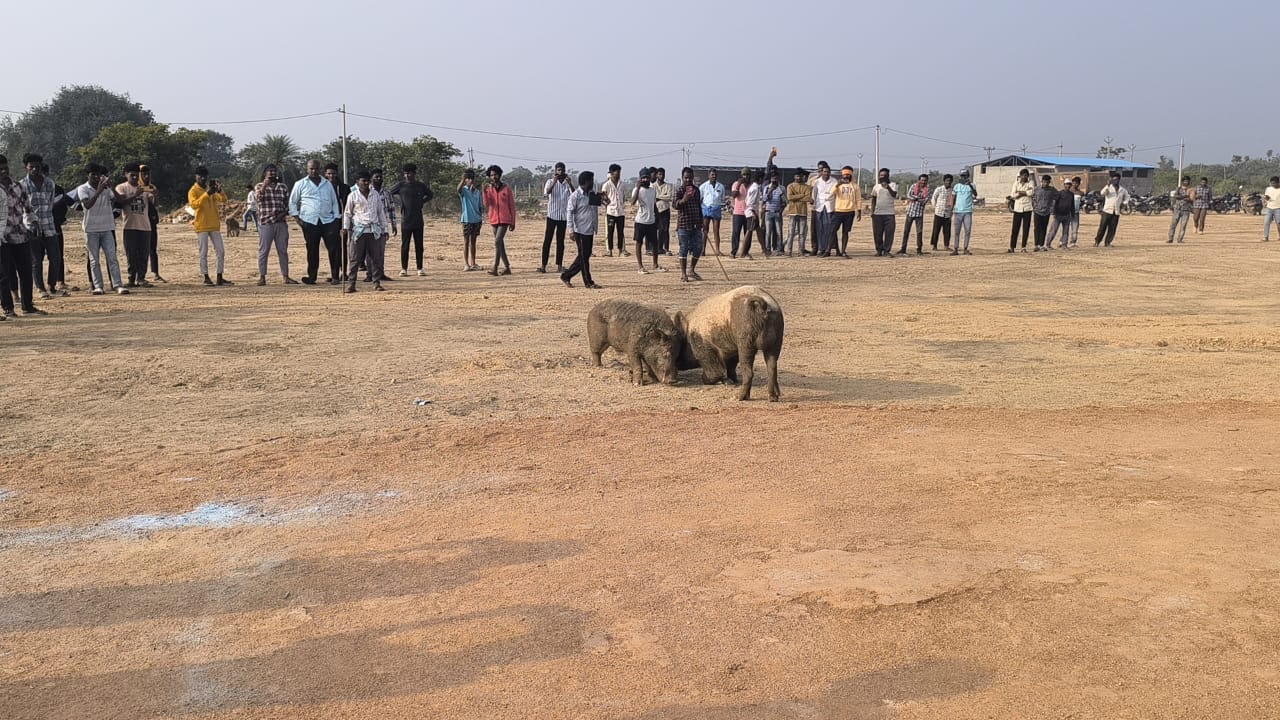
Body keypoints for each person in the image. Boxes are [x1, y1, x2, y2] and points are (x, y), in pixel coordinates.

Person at [66, 164, 127, 296]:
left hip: (107, 227)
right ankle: (98, 286)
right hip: (91, 228)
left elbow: (120, 199)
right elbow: (87, 205)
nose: (95, 177)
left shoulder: (106, 188)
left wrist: (111, 187)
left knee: (112, 257)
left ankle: (118, 285)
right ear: (87, 175)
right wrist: (99, 190)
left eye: (98, 174)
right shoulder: (83, 188)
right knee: (94, 260)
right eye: (92, 174)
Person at [0, 154, 41, 318]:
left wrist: (33, 223)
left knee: (25, 271)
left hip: (20, 234)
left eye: (5, 167)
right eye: (0, 169)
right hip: (2, 238)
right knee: (4, 275)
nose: (3, 171)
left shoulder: (18, 186)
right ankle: (8, 308)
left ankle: (28, 306)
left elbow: (28, 208)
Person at [289, 159, 343, 284]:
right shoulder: (300, 184)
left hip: (328, 221)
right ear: (307, 169)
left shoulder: (327, 184)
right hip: (309, 222)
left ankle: (335, 276)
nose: (314, 171)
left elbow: (334, 201)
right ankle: (312, 277)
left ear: (320, 169)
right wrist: (297, 218)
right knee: (312, 250)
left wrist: (336, 219)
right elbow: (292, 202)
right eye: (311, 169)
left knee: (334, 250)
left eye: (316, 168)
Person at [21, 154, 63, 299]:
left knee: (56, 257)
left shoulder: (49, 183)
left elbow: (50, 203)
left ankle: (52, 285)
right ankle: (40, 288)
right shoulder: (22, 186)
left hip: (49, 225)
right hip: (31, 228)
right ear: (26, 167)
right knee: (36, 260)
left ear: (41, 166)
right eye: (31, 166)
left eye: (37, 166)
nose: (34, 169)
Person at [341, 170, 389, 293]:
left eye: (367, 181)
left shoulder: (375, 195)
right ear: (358, 182)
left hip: (374, 230)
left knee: (376, 258)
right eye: (363, 181)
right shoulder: (353, 195)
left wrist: (385, 229)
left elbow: (380, 213)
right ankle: (351, 284)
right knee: (355, 259)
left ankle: (376, 282)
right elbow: (347, 213)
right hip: (359, 230)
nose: (366, 183)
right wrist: (346, 228)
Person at [254, 164, 297, 285]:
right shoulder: (259, 186)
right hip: (266, 223)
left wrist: (283, 214)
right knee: (264, 251)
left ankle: (286, 276)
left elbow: (288, 204)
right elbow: (258, 200)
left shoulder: (282, 187)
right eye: (270, 171)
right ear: (265, 173)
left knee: (283, 250)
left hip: (280, 222)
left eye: (274, 171)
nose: (272, 173)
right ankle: (262, 277)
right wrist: (264, 186)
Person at [387, 163, 433, 276]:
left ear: (414, 173)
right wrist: (399, 203)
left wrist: (422, 201)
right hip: (405, 220)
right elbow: (388, 193)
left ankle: (420, 268)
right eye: (406, 173)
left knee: (419, 245)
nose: (407, 175)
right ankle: (404, 268)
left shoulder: (420, 186)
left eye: (410, 173)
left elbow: (430, 195)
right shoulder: (401, 185)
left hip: (418, 220)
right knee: (405, 245)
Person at [188, 166, 232, 286]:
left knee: (221, 251)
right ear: (196, 176)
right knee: (203, 252)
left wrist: (219, 190)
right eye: (200, 176)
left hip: (214, 225)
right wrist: (206, 194)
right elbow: (194, 205)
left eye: (204, 176)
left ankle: (219, 276)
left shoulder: (210, 189)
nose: (202, 178)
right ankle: (206, 276)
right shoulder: (193, 190)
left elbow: (223, 200)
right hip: (201, 225)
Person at [115, 163, 155, 286]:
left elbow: (154, 203)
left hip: (145, 226)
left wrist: (156, 194)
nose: (135, 178)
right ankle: (131, 278)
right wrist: (135, 195)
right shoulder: (121, 188)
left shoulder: (144, 188)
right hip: (130, 226)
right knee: (131, 254)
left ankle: (141, 278)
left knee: (144, 253)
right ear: (125, 175)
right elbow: (121, 201)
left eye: (137, 175)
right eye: (132, 175)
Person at [562, 170, 602, 289]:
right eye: (591, 180)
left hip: (590, 229)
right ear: (585, 182)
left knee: (584, 256)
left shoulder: (592, 194)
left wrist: (603, 198)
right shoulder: (575, 196)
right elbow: (569, 213)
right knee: (584, 258)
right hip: (580, 230)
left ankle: (566, 276)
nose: (592, 182)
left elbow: (601, 204)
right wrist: (571, 230)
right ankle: (588, 282)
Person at [483, 165, 516, 276]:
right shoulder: (489, 189)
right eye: (491, 175)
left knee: (497, 241)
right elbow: (487, 204)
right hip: (493, 219)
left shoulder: (506, 188)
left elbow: (512, 205)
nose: (493, 177)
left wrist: (513, 221)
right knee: (500, 244)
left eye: (495, 174)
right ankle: (507, 267)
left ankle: (495, 267)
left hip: (505, 219)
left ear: (499, 175)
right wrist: (484, 192)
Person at [674, 166, 704, 282]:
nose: (688, 180)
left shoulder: (696, 190)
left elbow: (698, 206)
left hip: (696, 224)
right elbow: (675, 205)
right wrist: (684, 199)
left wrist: (702, 222)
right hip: (684, 225)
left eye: (690, 178)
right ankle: (683, 274)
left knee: (698, 248)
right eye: (686, 178)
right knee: (683, 249)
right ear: (682, 178)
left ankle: (691, 269)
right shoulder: (680, 191)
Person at [541, 162, 571, 273]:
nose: (561, 172)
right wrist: (554, 182)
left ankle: (559, 265)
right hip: (552, 215)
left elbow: (574, 195)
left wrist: (570, 183)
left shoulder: (567, 184)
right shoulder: (550, 181)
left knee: (560, 242)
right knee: (547, 241)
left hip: (563, 217)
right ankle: (543, 265)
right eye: (559, 170)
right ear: (555, 171)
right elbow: (546, 193)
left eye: (562, 170)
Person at [367, 169, 397, 283]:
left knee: (381, 251)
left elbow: (392, 209)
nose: (379, 179)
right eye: (376, 177)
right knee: (369, 252)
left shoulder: (387, 193)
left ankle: (380, 273)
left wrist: (394, 225)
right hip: (369, 225)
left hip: (382, 226)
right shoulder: (367, 191)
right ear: (371, 178)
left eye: (380, 177)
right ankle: (370, 274)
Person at [631, 168, 663, 273]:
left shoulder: (653, 191)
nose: (645, 179)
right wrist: (638, 188)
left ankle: (655, 265)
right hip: (640, 221)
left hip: (651, 221)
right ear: (640, 179)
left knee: (654, 243)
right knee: (639, 243)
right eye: (643, 178)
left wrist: (658, 220)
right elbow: (632, 202)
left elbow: (654, 206)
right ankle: (640, 266)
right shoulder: (637, 190)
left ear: (650, 178)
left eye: (647, 177)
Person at [139, 164, 163, 283]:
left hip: (151, 219)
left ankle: (155, 273)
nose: (146, 176)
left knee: (152, 248)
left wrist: (155, 194)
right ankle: (139, 274)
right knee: (140, 249)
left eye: (148, 174)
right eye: (143, 174)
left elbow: (156, 204)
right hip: (138, 221)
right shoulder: (136, 187)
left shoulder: (152, 187)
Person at [832, 167, 862, 257]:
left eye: (848, 174)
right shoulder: (838, 184)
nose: (846, 176)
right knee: (833, 231)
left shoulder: (855, 186)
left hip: (850, 211)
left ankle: (843, 251)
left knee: (846, 232)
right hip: (838, 211)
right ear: (842, 175)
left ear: (851, 175)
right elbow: (832, 193)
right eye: (845, 174)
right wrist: (837, 184)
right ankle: (830, 250)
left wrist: (859, 211)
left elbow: (858, 199)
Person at [1094, 172, 1129, 247]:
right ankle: (1097, 241)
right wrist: (1108, 185)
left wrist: (1125, 203)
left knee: (1112, 228)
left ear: (1119, 180)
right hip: (1107, 211)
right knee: (1102, 227)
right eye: (1113, 180)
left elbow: (1127, 197)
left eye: (1116, 180)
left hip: (1116, 212)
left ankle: (1108, 242)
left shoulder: (1123, 190)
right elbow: (1102, 193)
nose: (1115, 181)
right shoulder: (1108, 188)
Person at [458, 169, 483, 271]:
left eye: (471, 178)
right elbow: (458, 189)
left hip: (476, 220)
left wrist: (479, 217)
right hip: (466, 219)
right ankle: (466, 264)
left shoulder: (477, 192)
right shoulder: (464, 190)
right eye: (468, 179)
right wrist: (463, 179)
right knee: (466, 242)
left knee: (473, 242)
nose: (470, 181)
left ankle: (473, 263)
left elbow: (480, 207)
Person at [811, 162, 838, 256]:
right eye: (824, 171)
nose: (826, 173)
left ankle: (828, 249)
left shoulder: (834, 181)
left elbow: (837, 194)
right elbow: (814, 194)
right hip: (819, 207)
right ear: (821, 172)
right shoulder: (817, 182)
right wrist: (813, 203)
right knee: (820, 229)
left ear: (830, 172)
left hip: (830, 206)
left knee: (828, 229)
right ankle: (820, 248)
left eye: (828, 172)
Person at [869, 168, 897, 258]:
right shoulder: (876, 187)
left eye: (884, 175)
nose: (882, 177)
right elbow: (873, 199)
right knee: (877, 233)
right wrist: (872, 211)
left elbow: (894, 195)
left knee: (889, 233)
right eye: (881, 175)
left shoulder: (893, 185)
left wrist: (887, 187)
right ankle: (879, 250)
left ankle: (887, 251)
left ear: (888, 176)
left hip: (889, 213)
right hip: (877, 214)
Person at [900, 173, 930, 255]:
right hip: (910, 212)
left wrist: (915, 198)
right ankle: (903, 249)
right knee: (906, 231)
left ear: (927, 181)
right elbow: (909, 195)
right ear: (919, 180)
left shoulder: (927, 189)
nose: (923, 182)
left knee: (919, 232)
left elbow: (925, 200)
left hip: (919, 213)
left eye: (925, 180)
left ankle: (919, 250)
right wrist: (918, 199)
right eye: (922, 180)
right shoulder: (913, 186)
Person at [602, 163, 628, 256]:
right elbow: (603, 197)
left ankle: (621, 250)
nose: (618, 175)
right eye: (616, 173)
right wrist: (607, 204)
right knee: (610, 232)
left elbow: (623, 197)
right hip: (611, 212)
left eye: (619, 173)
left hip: (620, 212)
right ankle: (610, 250)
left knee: (620, 232)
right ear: (611, 173)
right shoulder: (606, 185)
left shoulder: (622, 184)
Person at [950, 169, 977, 255]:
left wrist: (970, 186)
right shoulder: (957, 186)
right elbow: (953, 198)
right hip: (958, 211)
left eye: (965, 176)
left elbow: (975, 194)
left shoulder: (972, 185)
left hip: (968, 211)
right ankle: (956, 248)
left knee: (968, 230)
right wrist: (951, 209)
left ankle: (965, 248)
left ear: (968, 176)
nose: (963, 177)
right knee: (957, 231)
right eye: (962, 176)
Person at [699, 169, 725, 256]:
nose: (714, 176)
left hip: (716, 209)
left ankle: (717, 250)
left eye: (715, 175)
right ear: (709, 175)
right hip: (706, 209)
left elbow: (722, 199)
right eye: (712, 174)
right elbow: (700, 199)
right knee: (705, 230)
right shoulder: (703, 186)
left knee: (716, 230)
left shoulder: (720, 186)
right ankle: (702, 250)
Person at [785, 168, 810, 257]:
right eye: (797, 176)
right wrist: (802, 195)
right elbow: (789, 197)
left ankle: (801, 251)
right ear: (794, 176)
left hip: (803, 212)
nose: (798, 178)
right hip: (792, 212)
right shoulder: (790, 186)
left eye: (800, 176)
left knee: (802, 233)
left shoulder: (806, 187)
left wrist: (796, 197)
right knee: (791, 233)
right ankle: (789, 251)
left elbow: (808, 198)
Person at [729, 167, 753, 259]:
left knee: (747, 233)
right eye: (744, 175)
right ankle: (734, 252)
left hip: (749, 212)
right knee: (736, 233)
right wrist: (739, 183)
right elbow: (734, 195)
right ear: (741, 175)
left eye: (747, 175)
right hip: (738, 212)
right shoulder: (736, 184)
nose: (745, 177)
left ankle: (746, 252)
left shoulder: (752, 186)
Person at [1046, 177, 1075, 249]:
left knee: (1066, 231)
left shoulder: (1071, 194)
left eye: (1069, 184)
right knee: (1053, 230)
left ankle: (1064, 245)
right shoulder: (1059, 193)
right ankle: (1048, 244)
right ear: (1064, 184)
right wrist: (1054, 212)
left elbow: (1072, 205)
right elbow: (1055, 203)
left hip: (1067, 215)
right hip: (1058, 215)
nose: (1068, 186)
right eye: (1067, 184)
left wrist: (1073, 214)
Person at [1009, 168, 1033, 252]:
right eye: (1023, 176)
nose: (1024, 177)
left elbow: (1031, 193)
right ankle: (1012, 247)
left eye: (1025, 176)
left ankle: (1023, 247)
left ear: (1027, 176)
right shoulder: (1016, 183)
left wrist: (1020, 193)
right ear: (1020, 176)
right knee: (1015, 228)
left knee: (1026, 229)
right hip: (1018, 208)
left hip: (1027, 208)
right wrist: (1024, 193)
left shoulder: (1031, 183)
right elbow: (1012, 194)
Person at [762, 170, 786, 255]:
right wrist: (770, 190)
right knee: (768, 232)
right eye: (772, 178)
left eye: (775, 178)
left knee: (779, 232)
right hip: (768, 212)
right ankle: (767, 249)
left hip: (777, 212)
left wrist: (781, 210)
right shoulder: (767, 188)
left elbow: (785, 201)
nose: (774, 180)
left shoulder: (782, 188)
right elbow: (764, 199)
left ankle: (779, 249)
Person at [1031, 174, 1055, 252]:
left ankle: (1041, 245)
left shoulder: (1052, 190)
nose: (1046, 184)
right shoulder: (1036, 189)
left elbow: (1057, 196)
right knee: (1037, 228)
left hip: (1046, 212)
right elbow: (1032, 198)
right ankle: (1036, 245)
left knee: (1043, 228)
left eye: (1048, 182)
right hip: (1037, 211)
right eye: (1045, 182)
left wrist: (1051, 207)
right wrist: (1034, 207)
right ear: (1042, 181)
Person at [930, 174, 954, 251]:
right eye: (947, 181)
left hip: (948, 213)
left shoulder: (952, 191)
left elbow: (953, 201)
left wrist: (952, 210)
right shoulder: (939, 189)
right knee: (936, 230)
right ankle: (934, 245)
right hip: (939, 212)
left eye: (950, 181)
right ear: (944, 181)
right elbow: (933, 198)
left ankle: (946, 246)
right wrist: (935, 207)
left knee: (947, 231)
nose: (948, 182)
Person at [653, 167, 673, 255]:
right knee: (656, 230)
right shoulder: (652, 186)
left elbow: (669, 197)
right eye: (660, 174)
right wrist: (662, 197)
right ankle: (658, 248)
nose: (662, 176)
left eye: (663, 174)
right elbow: (652, 197)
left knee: (665, 230)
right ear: (657, 175)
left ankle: (666, 248)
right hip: (655, 210)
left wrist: (659, 197)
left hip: (665, 210)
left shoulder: (669, 186)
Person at [1168, 175, 1193, 244]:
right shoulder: (1178, 189)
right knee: (1173, 224)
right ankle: (1170, 238)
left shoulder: (1191, 190)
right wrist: (1172, 205)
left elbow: (1192, 199)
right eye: (1185, 181)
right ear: (1182, 182)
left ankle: (1180, 239)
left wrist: (1183, 198)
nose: (1186, 182)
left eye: (1187, 181)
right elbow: (1175, 196)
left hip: (1186, 210)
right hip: (1177, 208)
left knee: (1183, 225)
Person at [1068, 177, 1084, 247]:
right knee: (1065, 228)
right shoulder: (1068, 191)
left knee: (1075, 228)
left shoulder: (1080, 193)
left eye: (1076, 183)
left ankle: (1073, 242)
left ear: (1079, 184)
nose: (1075, 184)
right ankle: (1062, 241)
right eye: (1074, 183)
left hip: (1076, 212)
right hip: (1067, 212)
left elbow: (1082, 202)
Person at [1264, 176, 1280, 242]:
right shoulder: (1268, 189)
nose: (1273, 184)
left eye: (1274, 183)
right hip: (1269, 208)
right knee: (1266, 222)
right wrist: (1266, 198)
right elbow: (1266, 198)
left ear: (1278, 183)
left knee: (1279, 223)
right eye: (1272, 183)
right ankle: (1266, 237)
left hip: (1278, 208)